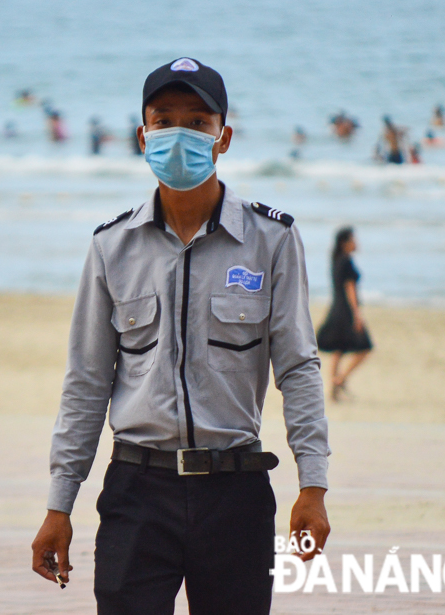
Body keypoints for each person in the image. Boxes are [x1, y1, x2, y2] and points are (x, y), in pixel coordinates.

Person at [31, 58, 330, 614]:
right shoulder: (111, 247)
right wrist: (59, 505)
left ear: (224, 138)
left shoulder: (273, 240)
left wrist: (312, 484)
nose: (179, 136)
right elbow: (87, 384)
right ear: (142, 135)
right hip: (136, 493)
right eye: (164, 120)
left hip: (235, 493)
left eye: (197, 123)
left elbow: (298, 367)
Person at [316, 227, 372, 402]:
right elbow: (350, 290)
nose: (356, 243)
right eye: (353, 239)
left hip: (336, 308)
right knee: (365, 347)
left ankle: (334, 388)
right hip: (345, 310)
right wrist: (357, 314)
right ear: (345, 243)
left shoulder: (336, 260)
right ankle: (339, 380)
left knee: (338, 349)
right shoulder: (346, 262)